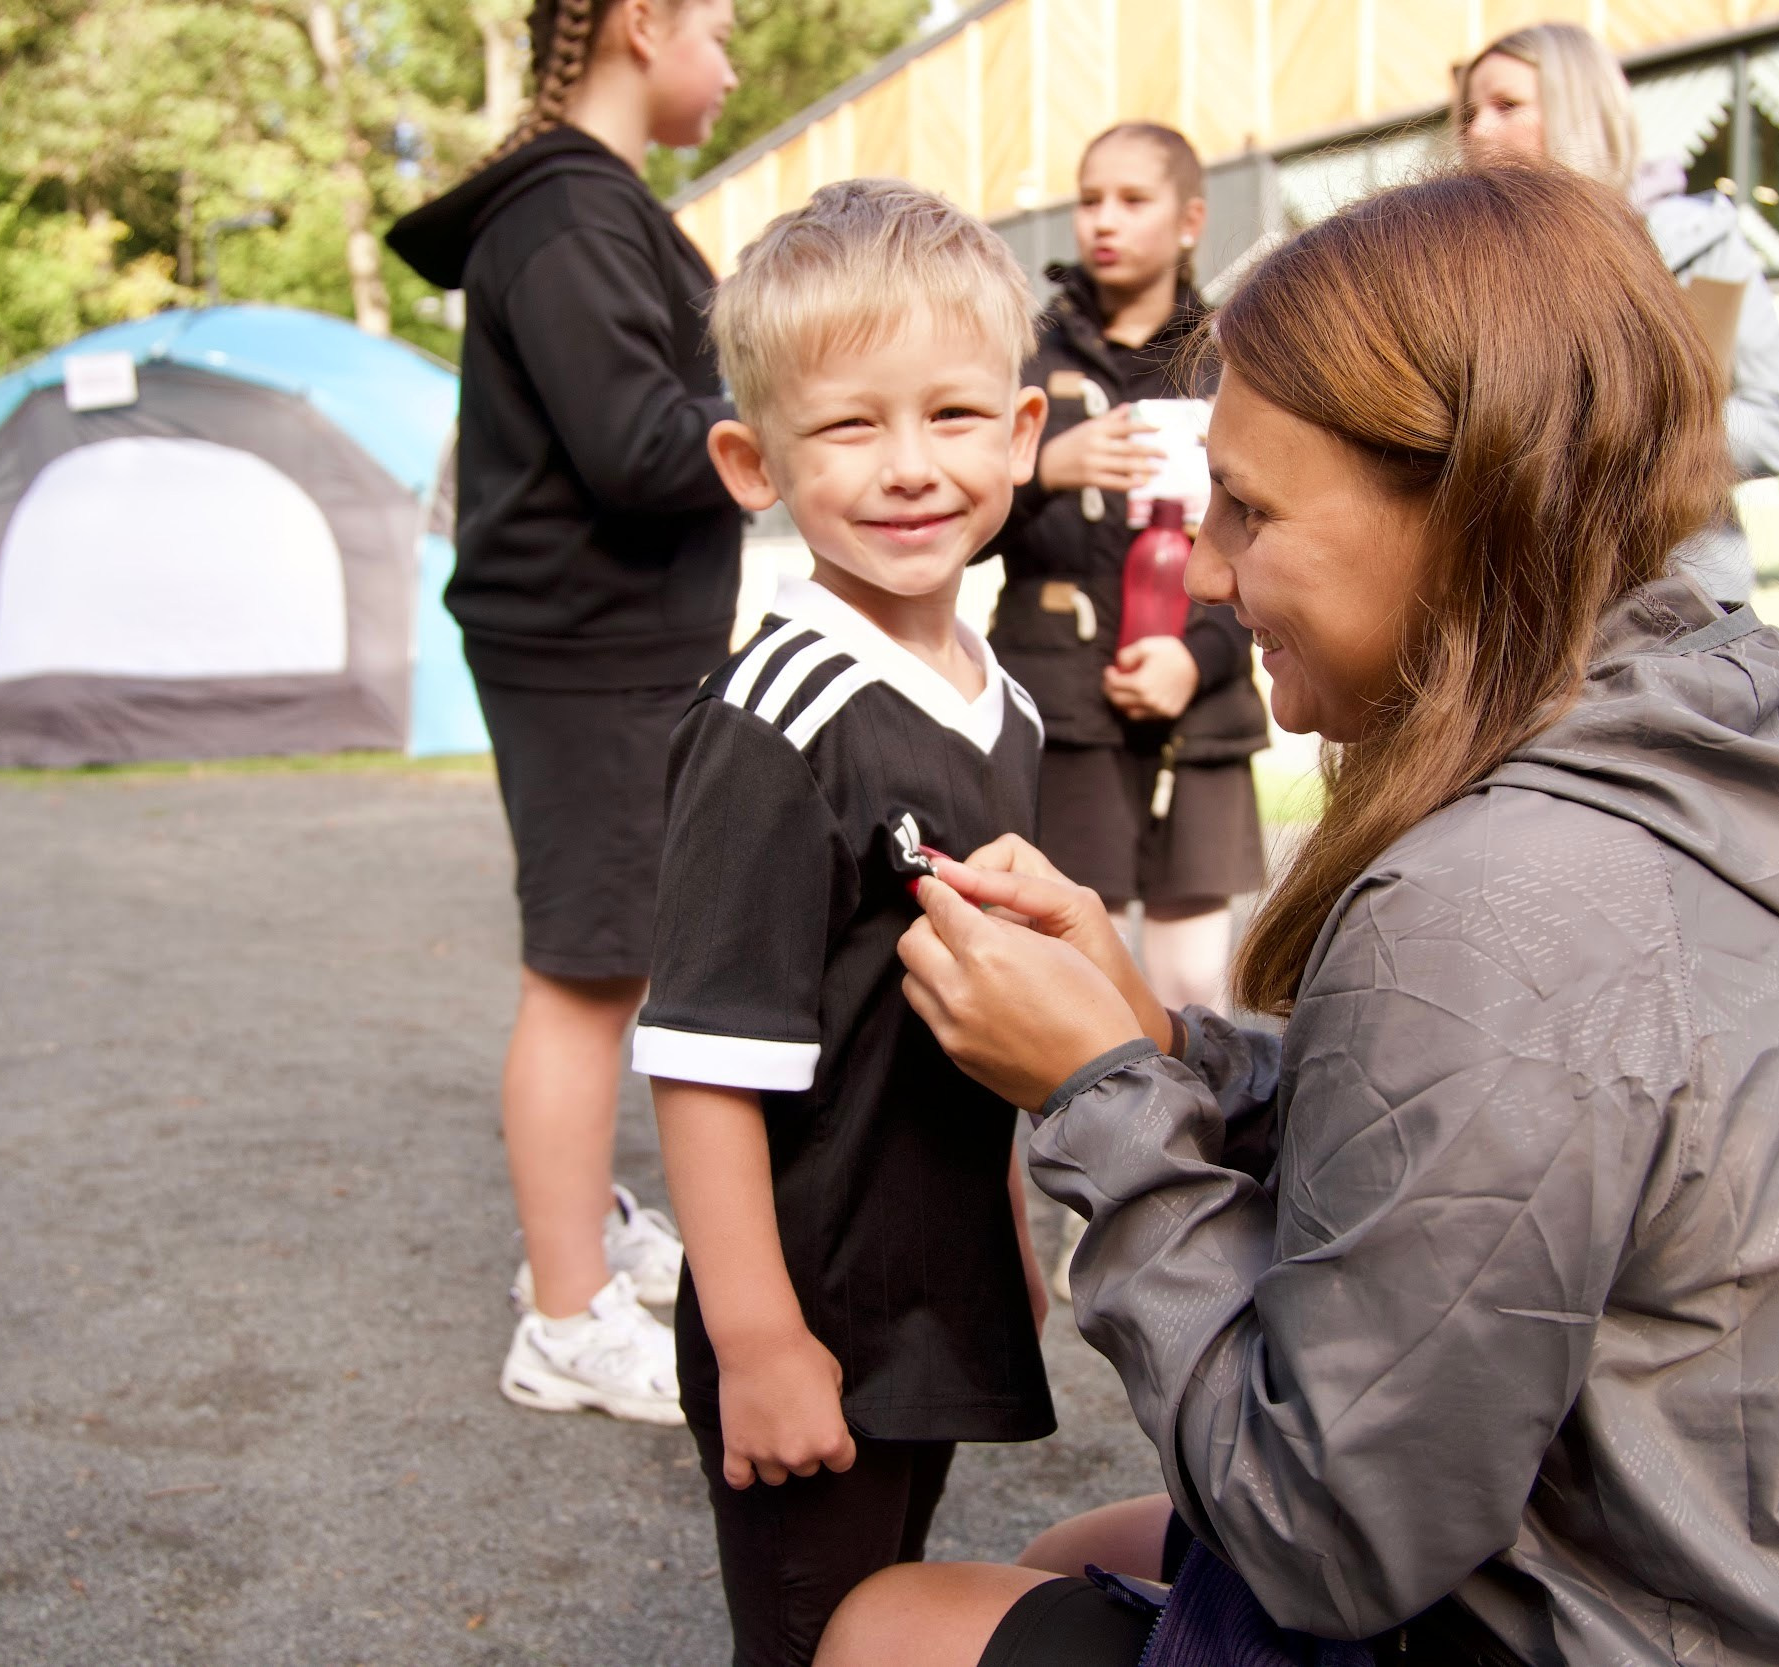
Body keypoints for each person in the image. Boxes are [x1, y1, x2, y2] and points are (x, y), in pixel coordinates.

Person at [817, 163, 1779, 1667]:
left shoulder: (1496, 899)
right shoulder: (1704, 752)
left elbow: (1333, 1531)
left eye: (1248, 506)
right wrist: (1159, 1042)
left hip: (1685, 1625)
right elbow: (1498, 1152)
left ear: (1462, 498)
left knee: (886, 1625)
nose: (1215, 573)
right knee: (1081, 1548)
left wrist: (1098, 1105)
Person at [634, 179, 1056, 1667]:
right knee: (821, 1639)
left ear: (1021, 432)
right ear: (756, 461)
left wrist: (1004, 1234)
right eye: (849, 426)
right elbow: (701, 1058)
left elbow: (962, 1001)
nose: (907, 468)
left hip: (929, 1285)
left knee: (892, 1606)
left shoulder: (998, 696)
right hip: (812, 1303)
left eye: (950, 416)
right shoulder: (777, 722)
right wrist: (755, 1337)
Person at [381, 0, 740, 1424]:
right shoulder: (574, 213)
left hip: (602, 644)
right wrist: (806, 416)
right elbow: (642, 447)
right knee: (586, 974)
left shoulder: (580, 207)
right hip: (587, 649)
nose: (729, 61)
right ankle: (566, 1311)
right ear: (643, 24)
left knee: (612, 959)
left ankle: (583, 1234)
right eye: (719, 28)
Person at [985, 122, 1268, 1017]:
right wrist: (1046, 469)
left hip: (1205, 699)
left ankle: (1191, 1155)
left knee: (1193, 987)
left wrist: (1200, 653)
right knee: (1071, 976)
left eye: (1132, 199)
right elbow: (954, 525)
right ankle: (1059, 1163)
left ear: (1190, 219)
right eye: (1089, 197)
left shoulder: (1240, 356)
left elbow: (1268, 528)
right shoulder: (1024, 354)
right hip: (1063, 701)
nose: (1103, 220)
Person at [1457, 22, 1779, 605]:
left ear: (1581, 111)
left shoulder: (1697, 246)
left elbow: (1778, 426)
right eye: (1469, 113)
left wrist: (1637, 430)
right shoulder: (1461, 271)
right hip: (1517, 611)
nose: (1477, 131)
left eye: (1506, 106)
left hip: (1675, 604)